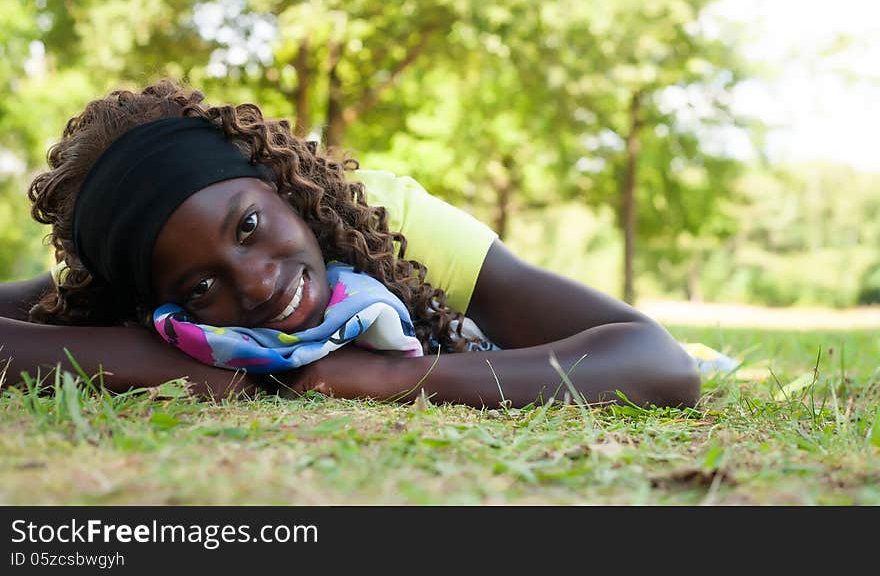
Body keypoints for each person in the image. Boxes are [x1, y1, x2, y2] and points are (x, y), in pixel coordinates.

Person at [0, 80, 701, 410]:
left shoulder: (396, 220)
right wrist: (154, 360)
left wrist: (405, 379)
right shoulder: (139, 304)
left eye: (247, 226)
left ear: (276, 183)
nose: (256, 284)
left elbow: (659, 362)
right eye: (199, 289)